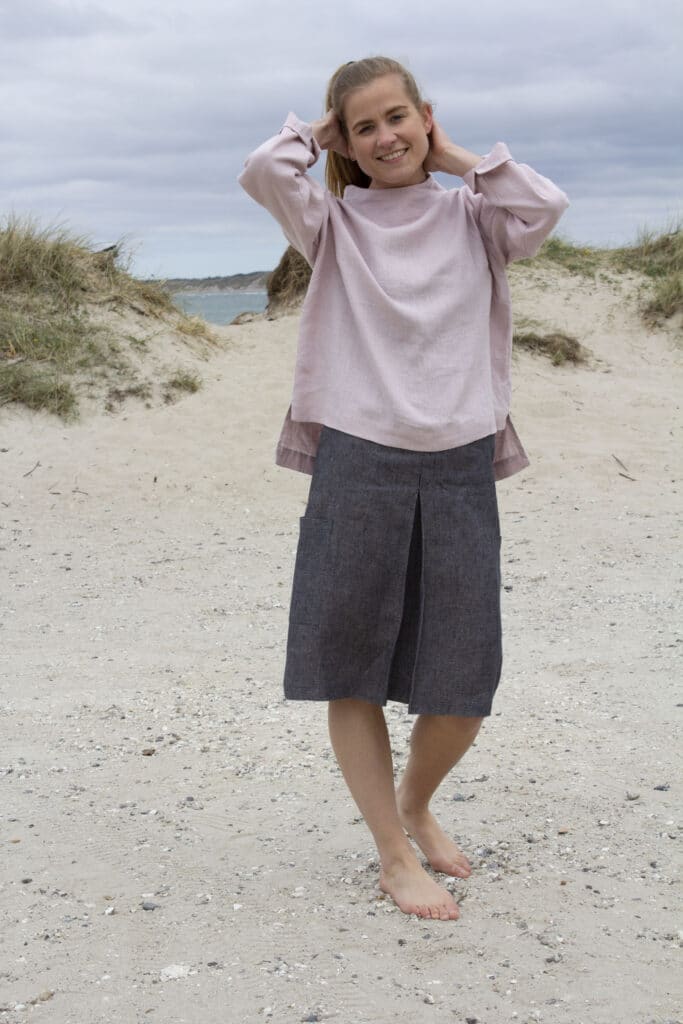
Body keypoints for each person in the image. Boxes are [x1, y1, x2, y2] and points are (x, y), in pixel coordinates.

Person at [238, 56, 569, 921]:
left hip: (459, 459)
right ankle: (392, 851)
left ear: (425, 116)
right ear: (341, 141)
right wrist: (317, 136)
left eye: (397, 117)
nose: (384, 137)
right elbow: (263, 171)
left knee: (461, 683)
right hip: (358, 457)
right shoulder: (331, 224)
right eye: (363, 127)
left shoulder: (476, 215)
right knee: (350, 667)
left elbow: (543, 206)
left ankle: (416, 803)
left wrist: (456, 155)